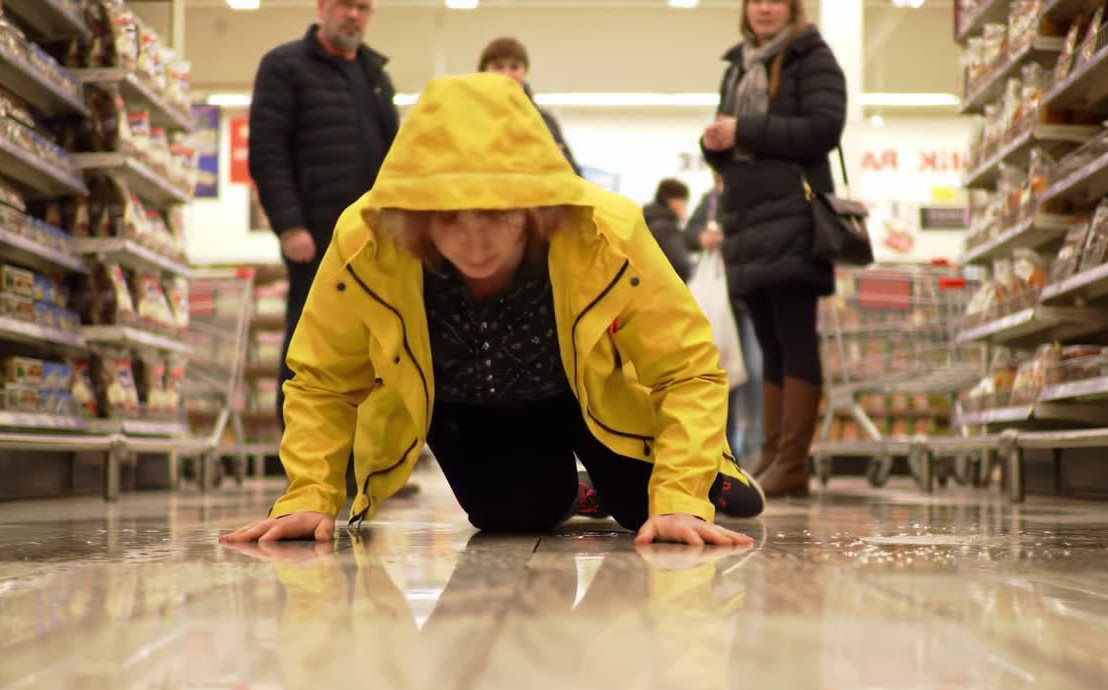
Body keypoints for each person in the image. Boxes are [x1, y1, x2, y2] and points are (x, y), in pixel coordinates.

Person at [222, 73, 763, 547]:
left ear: (534, 203)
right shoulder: (367, 241)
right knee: (513, 519)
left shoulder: (604, 231)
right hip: (470, 408)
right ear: (415, 214)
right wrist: (310, 495)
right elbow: (323, 380)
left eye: (497, 216)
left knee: (652, 510)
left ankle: (708, 464)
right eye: (449, 219)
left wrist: (680, 496)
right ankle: (579, 490)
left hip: (600, 397)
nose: (476, 245)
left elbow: (686, 368)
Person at [701, 0, 846, 498]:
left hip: (792, 217)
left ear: (791, 8)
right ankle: (771, 453)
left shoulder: (811, 56)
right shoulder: (739, 64)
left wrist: (744, 130)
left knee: (793, 335)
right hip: (746, 220)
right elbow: (731, 142)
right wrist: (712, 141)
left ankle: (793, 461)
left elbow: (825, 127)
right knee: (768, 342)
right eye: (755, 0)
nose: (764, 8)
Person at [248, 0, 400, 431]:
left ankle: (365, 460)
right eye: (344, 5)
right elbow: (267, 152)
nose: (353, 15)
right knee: (311, 347)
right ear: (322, 8)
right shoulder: (285, 67)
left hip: (375, 243)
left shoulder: (375, 77)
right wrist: (290, 225)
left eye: (363, 7)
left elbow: (396, 160)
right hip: (315, 238)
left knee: (375, 350)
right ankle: (305, 458)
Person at [683, 172, 764, 464]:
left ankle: (757, 447)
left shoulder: (755, 197)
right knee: (724, 374)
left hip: (749, 300)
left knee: (754, 373)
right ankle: (728, 448)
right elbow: (689, 234)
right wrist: (701, 237)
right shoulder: (711, 200)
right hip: (721, 303)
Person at [478, 36, 581, 175]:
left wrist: (560, 163)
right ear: (483, 71)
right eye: (498, 66)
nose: (506, 74)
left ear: (525, 72)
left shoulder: (544, 121)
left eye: (514, 67)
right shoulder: (467, 118)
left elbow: (575, 175)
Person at [642, 178, 694, 283]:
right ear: (673, 201)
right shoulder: (665, 227)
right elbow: (681, 266)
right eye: (684, 202)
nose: (686, 208)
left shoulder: (646, 220)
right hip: (663, 293)